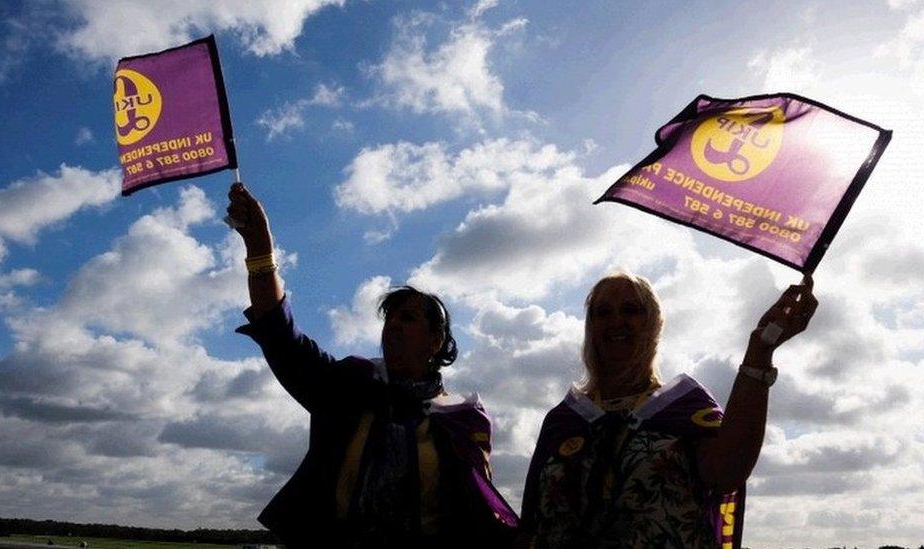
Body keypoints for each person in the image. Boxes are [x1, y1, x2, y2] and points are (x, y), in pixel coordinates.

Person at [226, 182, 519, 549]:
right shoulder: (350, 384)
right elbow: (283, 336)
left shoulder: (464, 419)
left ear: (436, 340)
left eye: (408, 318)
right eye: (390, 318)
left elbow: (477, 514)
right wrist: (259, 250)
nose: (393, 324)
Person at [520, 271, 817, 548]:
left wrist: (759, 351)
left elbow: (727, 472)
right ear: (591, 326)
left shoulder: (684, 406)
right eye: (603, 312)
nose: (616, 321)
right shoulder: (564, 420)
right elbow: (532, 523)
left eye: (630, 310)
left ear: (652, 324)